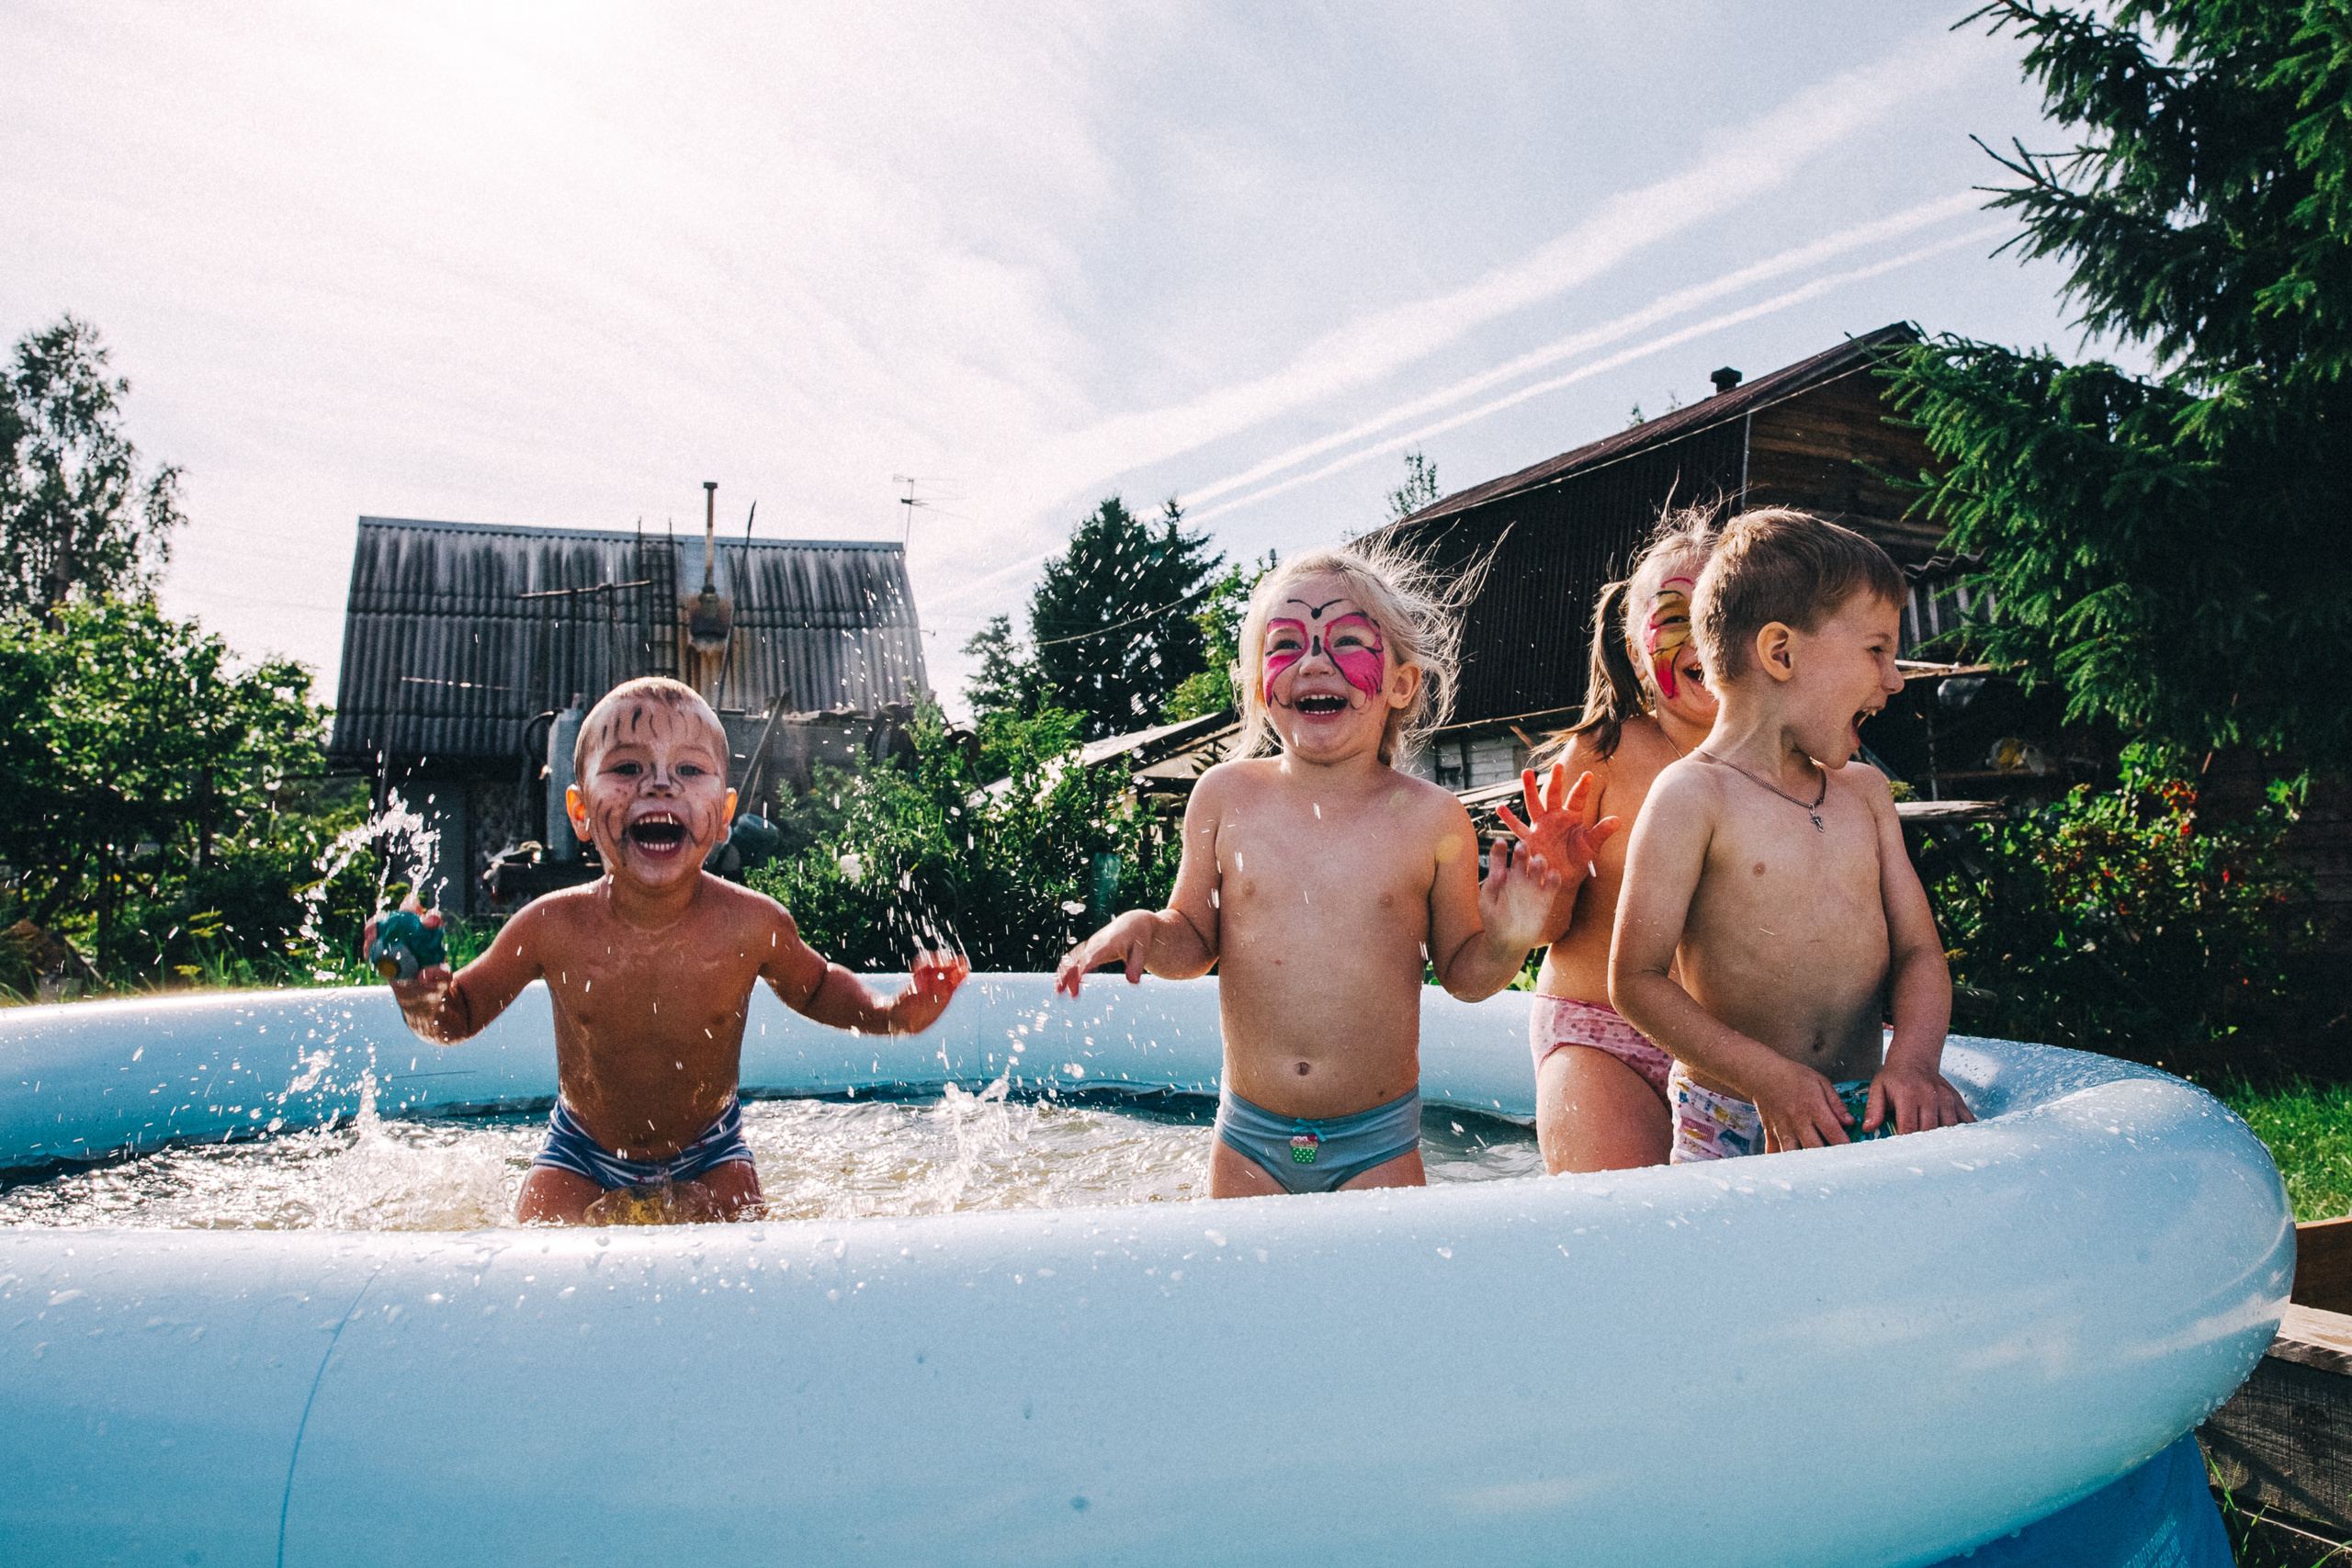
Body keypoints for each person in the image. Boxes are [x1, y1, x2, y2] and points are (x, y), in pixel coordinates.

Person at [1055, 543, 1600, 1197]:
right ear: (1258, 683)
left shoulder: (1433, 819)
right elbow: (1194, 941)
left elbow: (1463, 973)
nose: (1314, 660)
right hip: (1248, 1138)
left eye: (1346, 640)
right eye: (1287, 644)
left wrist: (1510, 938)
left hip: (1378, 1142)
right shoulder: (1224, 798)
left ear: (1401, 684)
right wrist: (1146, 928)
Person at [372, 676, 968, 1224]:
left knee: (747, 1241)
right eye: (627, 766)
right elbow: (458, 1017)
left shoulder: (750, 923)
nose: (660, 783)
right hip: (580, 1151)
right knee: (534, 1247)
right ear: (580, 812)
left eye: (688, 769)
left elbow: (816, 987)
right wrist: (419, 996)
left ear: (724, 815)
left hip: (711, 1151)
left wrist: (891, 1013)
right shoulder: (550, 926)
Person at [1609, 509, 1973, 1160]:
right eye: (1876, 650)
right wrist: (1768, 1078)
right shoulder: (1693, 796)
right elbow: (1635, 979)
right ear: (1781, 652)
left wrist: (1914, 1063)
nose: (1894, 679)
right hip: (1733, 1114)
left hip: (1862, 1103)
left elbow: (1920, 951)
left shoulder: (1865, 794)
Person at [1520, 509, 1720, 1174]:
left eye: (1722, 611)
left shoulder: (1784, 764)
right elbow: (1545, 932)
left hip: (1732, 1046)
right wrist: (1556, 880)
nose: (1703, 634)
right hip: (1600, 1032)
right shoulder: (1601, 755)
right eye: (1676, 617)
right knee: (1620, 1214)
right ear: (1635, 652)